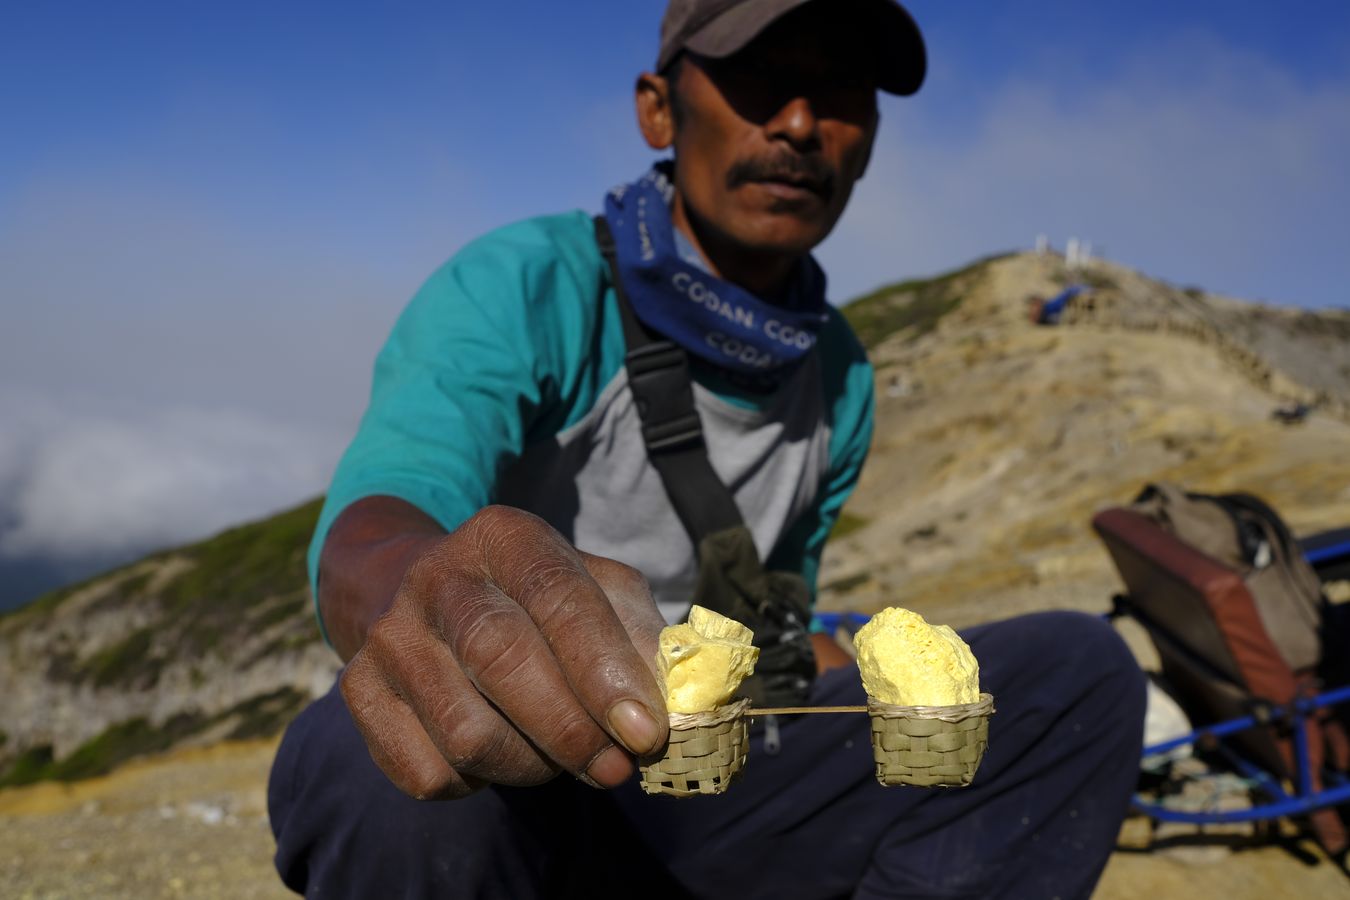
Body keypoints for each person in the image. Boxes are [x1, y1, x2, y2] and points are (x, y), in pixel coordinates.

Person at [268, 1, 1146, 897]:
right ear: (658, 108)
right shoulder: (529, 284)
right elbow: (376, 519)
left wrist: (837, 665)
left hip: (718, 775)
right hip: (544, 775)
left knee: (1077, 677)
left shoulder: (840, 373)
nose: (800, 125)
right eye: (759, 81)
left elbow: (775, 609)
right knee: (381, 750)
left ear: (872, 139)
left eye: (839, 92)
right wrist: (433, 597)